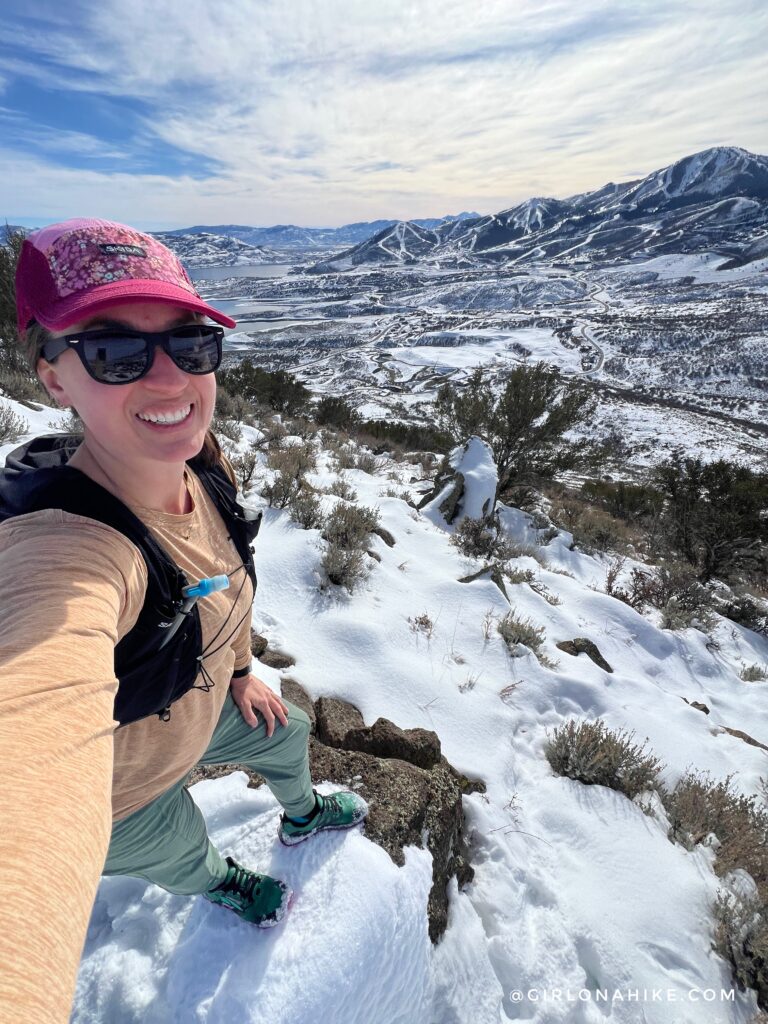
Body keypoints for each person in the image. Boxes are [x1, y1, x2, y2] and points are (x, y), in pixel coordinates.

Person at [0, 218, 368, 1024]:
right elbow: (31, 720)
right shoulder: (64, 551)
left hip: (204, 708)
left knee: (289, 733)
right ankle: (221, 884)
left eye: (191, 341)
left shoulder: (201, 464)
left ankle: (301, 813)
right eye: (113, 351)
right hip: (120, 790)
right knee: (184, 852)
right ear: (55, 379)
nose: (170, 380)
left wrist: (238, 671)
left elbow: (223, 582)